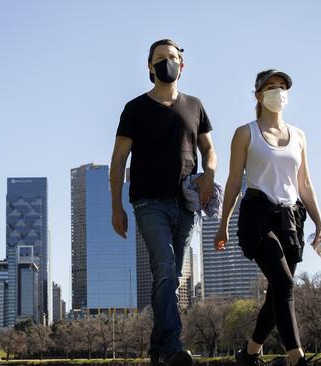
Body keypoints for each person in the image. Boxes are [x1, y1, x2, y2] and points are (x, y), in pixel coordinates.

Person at [110, 39, 217, 366]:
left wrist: (209, 171)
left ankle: (158, 350)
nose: (166, 62)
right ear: (149, 67)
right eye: (160, 58)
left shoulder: (195, 106)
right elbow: (117, 162)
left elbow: (208, 149)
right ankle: (172, 345)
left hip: (186, 204)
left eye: (172, 58)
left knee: (170, 278)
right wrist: (117, 207)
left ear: (181, 66)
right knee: (166, 269)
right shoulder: (135, 108)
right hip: (148, 203)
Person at [214, 69, 321, 366]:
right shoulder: (245, 133)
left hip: (291, 218)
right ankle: (297, 357)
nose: (278, 91)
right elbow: (233, 182)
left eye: (282, 87)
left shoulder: (300, 136)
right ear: (258, 95)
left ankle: (249, 354)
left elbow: (305, 184)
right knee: (284, 282)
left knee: (278, 290)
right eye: (271, 87)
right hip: (258, 216)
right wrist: (223, 223)